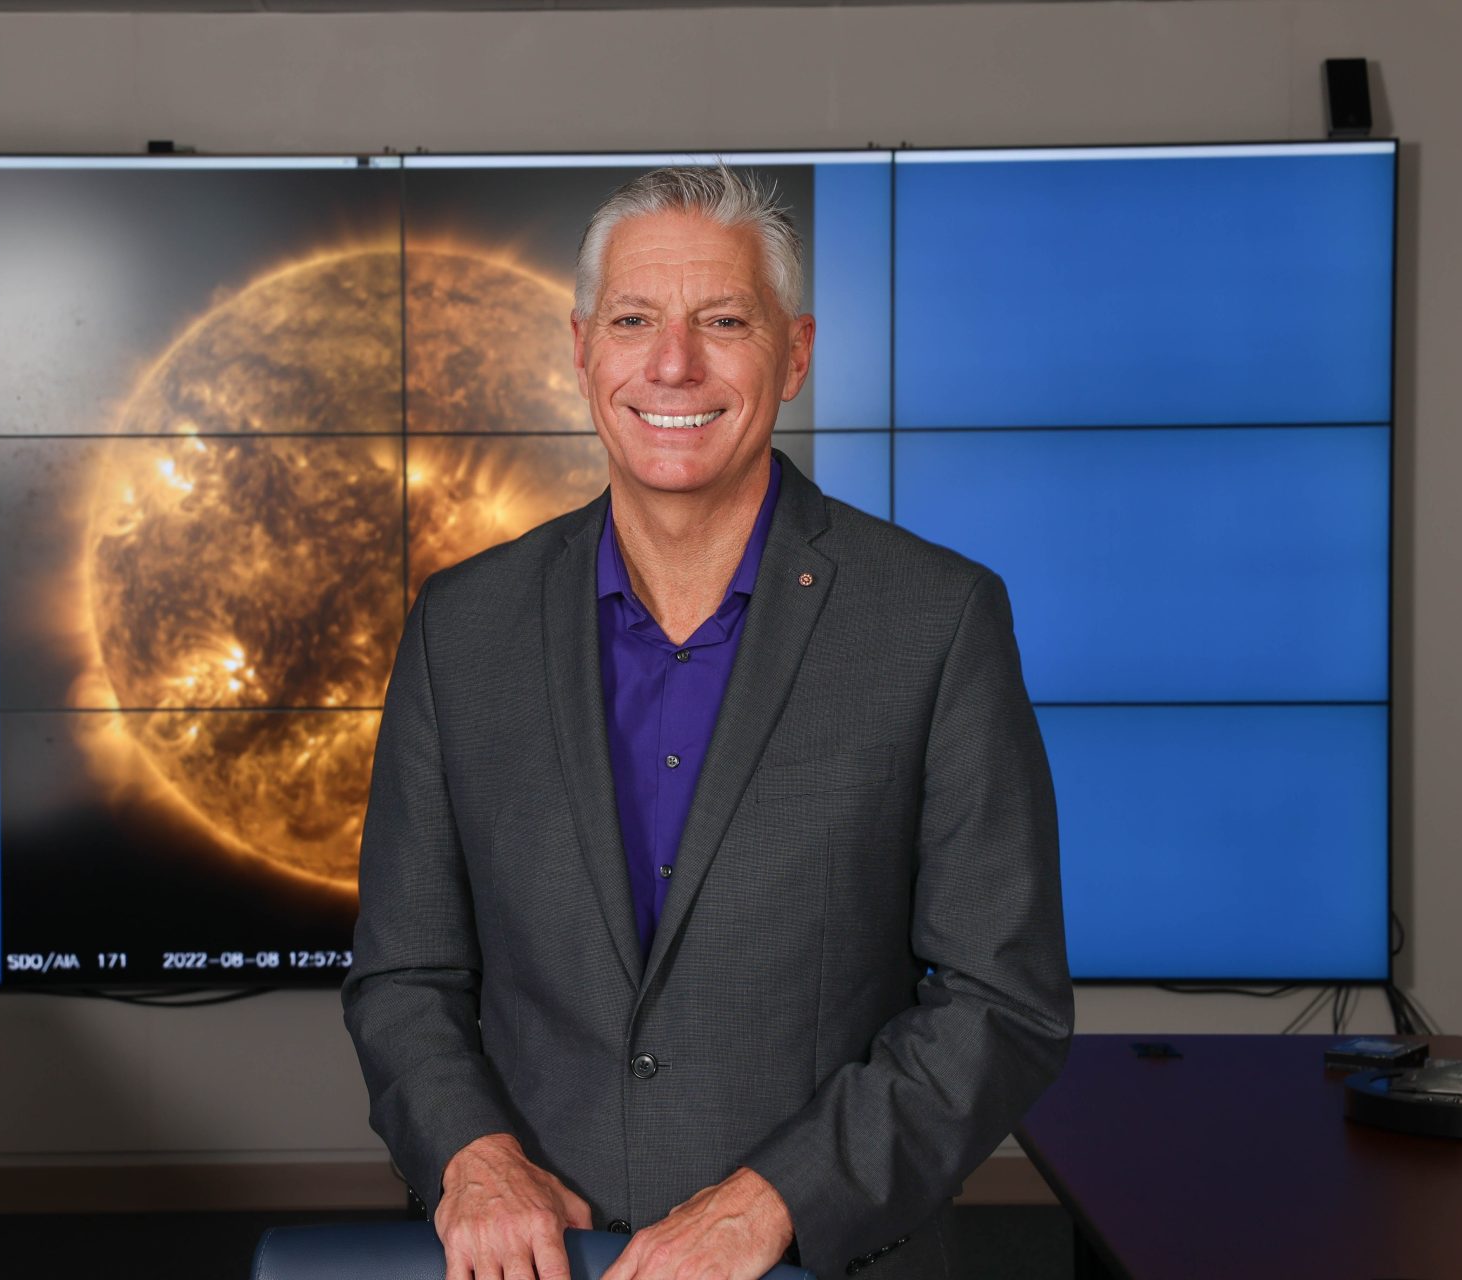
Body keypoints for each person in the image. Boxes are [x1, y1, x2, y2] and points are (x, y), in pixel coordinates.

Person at [341, 165, 1071, 1280]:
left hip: (830, 1262)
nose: (673, 362)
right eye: (634, 321)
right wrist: (473, 1154)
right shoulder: (463, 626)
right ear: (584, 349)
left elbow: (999, 998)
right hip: (536, 1260)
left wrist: (779, 1199)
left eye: (723, 321)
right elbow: (405, 975)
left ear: (797, 351)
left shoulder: (936, 618)